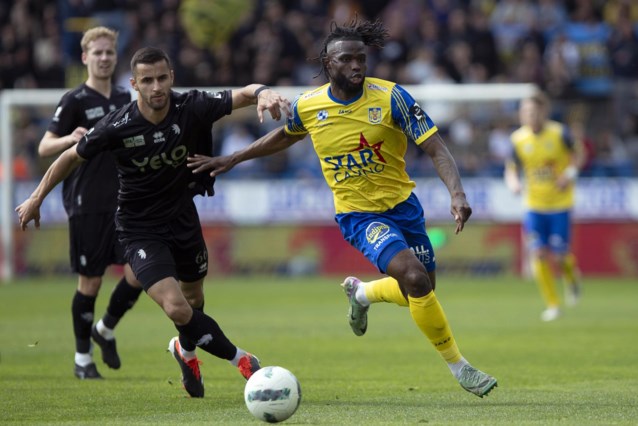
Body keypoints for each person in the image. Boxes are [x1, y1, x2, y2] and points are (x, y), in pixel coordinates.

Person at [188, 18, 497, 398]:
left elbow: (436, 147)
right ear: (328, 63)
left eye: (361, 60)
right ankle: (460, 367)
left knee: (422, 289)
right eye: (347, 60)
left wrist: (457, 193)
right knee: (414, 279)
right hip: (358, 215)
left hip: (404, 207)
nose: (357, 67)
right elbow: (284, 136)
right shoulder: (310, 105)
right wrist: (232, 158)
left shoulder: (391, 97)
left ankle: (363, 294)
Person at [16, 46, 292, 398]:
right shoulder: (118, 124)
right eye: (147, 80)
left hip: (182, 218)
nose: (156, 86)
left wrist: (264, 92)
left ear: (171, 77)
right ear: (134, 84)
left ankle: (186, 353)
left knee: (193, 301)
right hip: (138, 228)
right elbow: (70, 156)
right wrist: (37, 197)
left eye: (162, 78)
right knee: (176, 305)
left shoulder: (192, 105)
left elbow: (243, 93)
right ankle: (243, 360)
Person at [37, 26, 143, 380]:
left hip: (124, 200)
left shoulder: (125, 98)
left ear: (115, 57)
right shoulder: (74, 100)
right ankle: (83, 358)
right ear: (85, 57)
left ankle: (106, 328)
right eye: (97, 53)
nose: (103, 58)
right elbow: (44, 146)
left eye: (109, 52)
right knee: (91, 282)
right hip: (86, 202)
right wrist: (69, 137)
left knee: (140, 272)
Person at [504, 92, 584, 322]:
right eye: (524, 111)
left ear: (543, 112)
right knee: (538, 253)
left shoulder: (560, 133)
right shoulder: (518, 139)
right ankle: (553, 305)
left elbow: (579, 154)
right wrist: (514, 182)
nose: (528, 115)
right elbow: (511, 167)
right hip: (534, 205)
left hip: (560, 204)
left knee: (560, 256)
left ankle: (572, 278)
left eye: (532, 111)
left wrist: (569, 174)